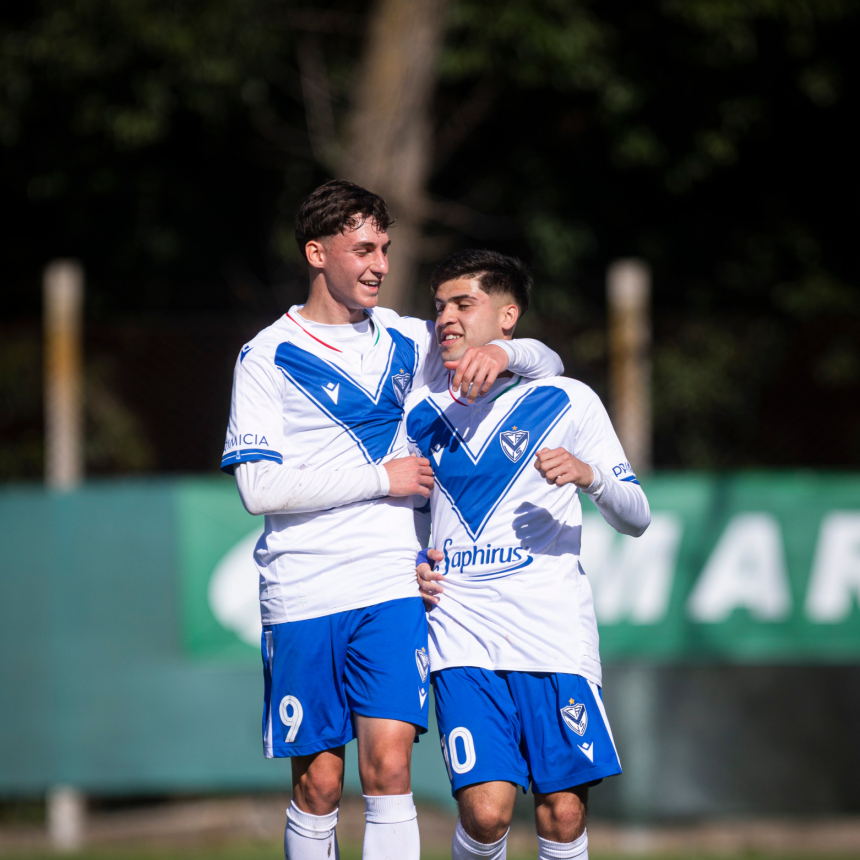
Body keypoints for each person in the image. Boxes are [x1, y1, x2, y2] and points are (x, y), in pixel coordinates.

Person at [221, 181, 564, 860]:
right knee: (320, 785)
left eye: (384, 248)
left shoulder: (411, 338)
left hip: (393, 584)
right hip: (304, 587)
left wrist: (505, 352)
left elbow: (547, 366)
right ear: (317, 253)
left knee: (389, 767)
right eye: (363, 249)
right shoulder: (267, 355)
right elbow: (258, 488)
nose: (380, 264)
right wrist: (384, 478)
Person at [406, 249, 651, 860]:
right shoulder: (421, 410)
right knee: (486, 815)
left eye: (464, 304)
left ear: (508, 316)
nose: (447, 318)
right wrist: (411, 563)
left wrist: (590, 476)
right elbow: (407, 518)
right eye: (440, 306)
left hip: (553, 634)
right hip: (461, 634)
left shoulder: (568, 400)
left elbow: (636, 515)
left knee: (562, 814)